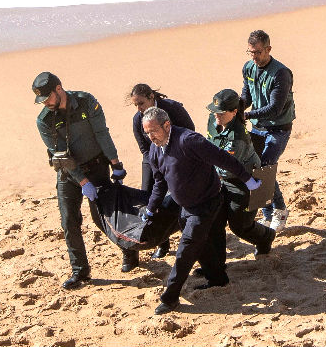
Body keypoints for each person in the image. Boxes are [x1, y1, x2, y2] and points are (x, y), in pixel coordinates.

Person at [140, 106, 261, 315]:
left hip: (206, 203)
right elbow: (160, 181)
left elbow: (223, 158)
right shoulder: (154, 149)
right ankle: (218, 279)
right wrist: (151, 208)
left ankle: (169, 298)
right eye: (147, 132)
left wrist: (247, 179)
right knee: (201, 244)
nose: (150, 137)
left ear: (167, 125)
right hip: (185, 206)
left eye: (154, 131)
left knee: (185, 251)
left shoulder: (189, 140)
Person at [33, 71, 137, 290]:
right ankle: (80, 271)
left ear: (58, 89)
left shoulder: (86, 101)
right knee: (69, 220)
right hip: (68, 174)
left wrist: (115, 163)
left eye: (47, 98)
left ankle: (129, 251)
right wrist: (82, 182)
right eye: (41, 101)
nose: (46, 103)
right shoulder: (44, 120)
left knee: (107, 216)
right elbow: (60, 154)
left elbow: (102, 133)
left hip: (96, 166)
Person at [205, 88, 276, 256]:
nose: (216, 116)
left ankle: (266, 237)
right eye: (214, 111)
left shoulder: (237, 137)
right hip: (219, 180)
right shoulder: (213, 120)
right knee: (214, 222)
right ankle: (215, 266)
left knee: (240, 226)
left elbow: (227, 168)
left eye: (221, 113)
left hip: (243, 183)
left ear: (234, 112)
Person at [128, 83, 195, 258]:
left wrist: (173, 159)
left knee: (181, 193)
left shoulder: (172, 108)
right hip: (153, 159)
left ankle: (188, 233)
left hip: (179, 156)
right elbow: (144, 148)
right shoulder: (138, 119)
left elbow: (190, 130)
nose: (139, 108)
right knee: (148, 197)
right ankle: (161, 243)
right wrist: (157, 164)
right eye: (135, 105)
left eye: (141, 103)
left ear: (152, 97)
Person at [241, 30, 295, 232]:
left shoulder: (281, 73)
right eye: (250, 52)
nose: (254, 57)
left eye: (257, 52)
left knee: (265, 167)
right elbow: (246, 96)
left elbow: (275, 108)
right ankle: (266, 214)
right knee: (254, 167)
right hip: (258, 127)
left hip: (278, 129)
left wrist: (246, 116)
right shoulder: (248, 68)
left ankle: (279, 210)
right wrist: (235, 109)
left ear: (268, 49)